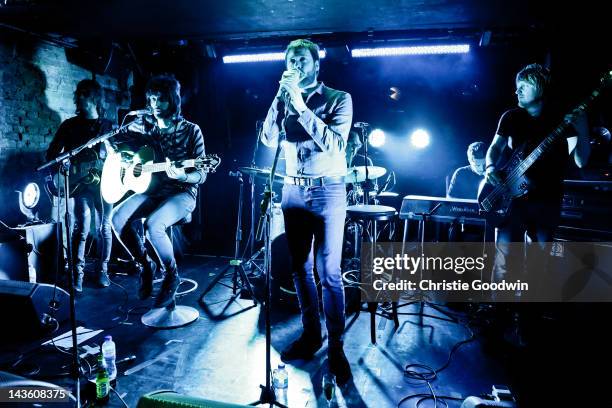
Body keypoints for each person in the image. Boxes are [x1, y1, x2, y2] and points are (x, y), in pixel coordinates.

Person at [261, 39, 353, 384]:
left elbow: (335, 145)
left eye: (301, 59)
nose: (295, 64)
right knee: (300, 268)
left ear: (315, 64)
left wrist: (299, 105)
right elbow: (269, 139)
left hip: (327, 189)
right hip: (292, 188)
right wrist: (280, 98)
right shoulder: (284, 96)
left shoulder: (339, 99)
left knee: (328, 271)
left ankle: (337, 348)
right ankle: (312, 335)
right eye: (290, 60)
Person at [485, 63, 590, 299]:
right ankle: (498, 313)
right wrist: (490, 166)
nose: (517, 91)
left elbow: (582, 161)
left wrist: (582, 130)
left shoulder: (563, 120)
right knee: (504, 260)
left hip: (547, 199)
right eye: (516, 87)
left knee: (540, 262)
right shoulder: (511, 117)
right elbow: (495, 148)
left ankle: (528, 321)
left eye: (523, 86)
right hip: (511, 198)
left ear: (540, 87)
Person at [111, 75, 206, 308]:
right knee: (116, 218)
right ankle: (145, 265)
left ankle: (171, 275)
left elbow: (201, 174)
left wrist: (182, 174)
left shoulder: (192, 130)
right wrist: (123, 157)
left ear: (172, 100)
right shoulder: (144, 126)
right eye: (152, 99)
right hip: (153, 190)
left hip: (182, 193)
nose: (154, 104)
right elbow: (112, 140)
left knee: (153, 224)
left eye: (161, 100)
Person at [46, 79, 114, 291]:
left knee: (104, 227)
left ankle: (103, 271)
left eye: (85, 94)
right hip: (80, 184)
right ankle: (77, 275)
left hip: (105, 184)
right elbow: (51, 154)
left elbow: (115, 156)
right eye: (79, 95)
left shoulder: (107, 126)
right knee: (82, 228)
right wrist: (64, 162)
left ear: (94, 98)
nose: (80, 98)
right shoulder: (69, 125)